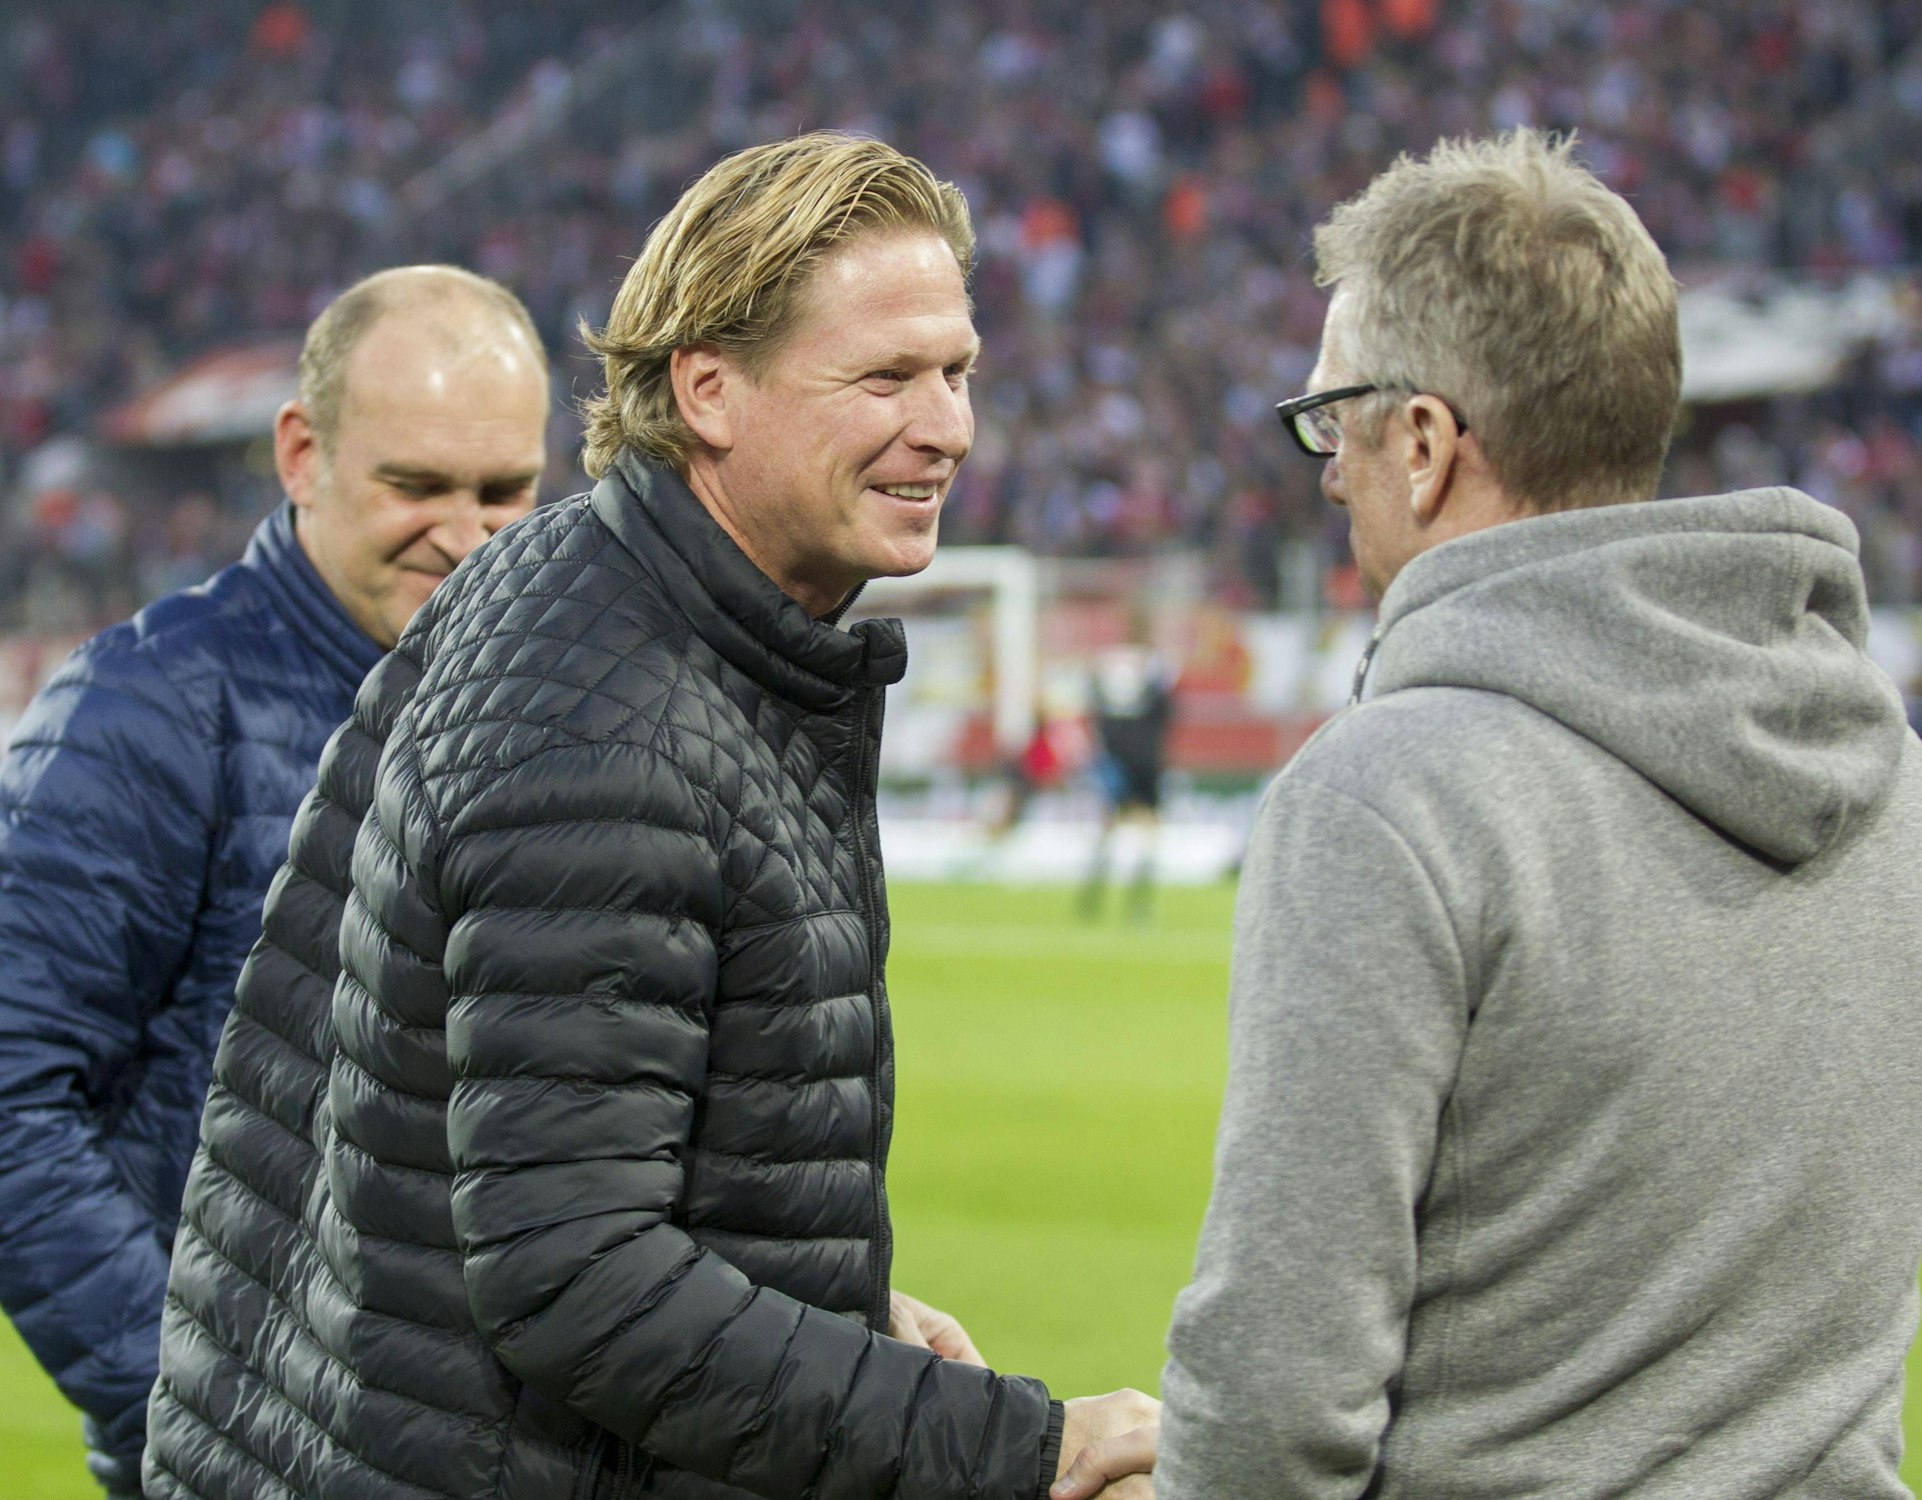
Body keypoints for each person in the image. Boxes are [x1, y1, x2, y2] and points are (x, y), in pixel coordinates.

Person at [145, 133, 1158, 1500]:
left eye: (957, 372)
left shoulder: (605, 597)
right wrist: (1026, 1451)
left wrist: (843, 1325)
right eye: (885, 378)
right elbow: (575, 1276)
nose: (949, 426)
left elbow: (571, 1154)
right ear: (709, 390)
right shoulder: (610, 719)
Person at [1150, 130, 1922, 1499]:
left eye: (1330, 420)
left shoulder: (1387, 794)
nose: (1325, 469)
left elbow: (1275, 1403)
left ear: (1421, 441)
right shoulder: (1897, 776)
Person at [0, 264, 549, 1497]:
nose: (462, 534)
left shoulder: (542, 714)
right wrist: (211, 1420)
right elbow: (9, 1098)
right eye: (413, 485)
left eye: (501, 493)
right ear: (301, 454)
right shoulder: (143, 712)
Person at [1077, 643, 1177, 919]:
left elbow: (1096, 711)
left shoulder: (1113, 719)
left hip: (1127, 771)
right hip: (1143, 771)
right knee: (1141, 837)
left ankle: (1094, 900)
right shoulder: (1149, 712)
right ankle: (1133, 904)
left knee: (1112, 835)